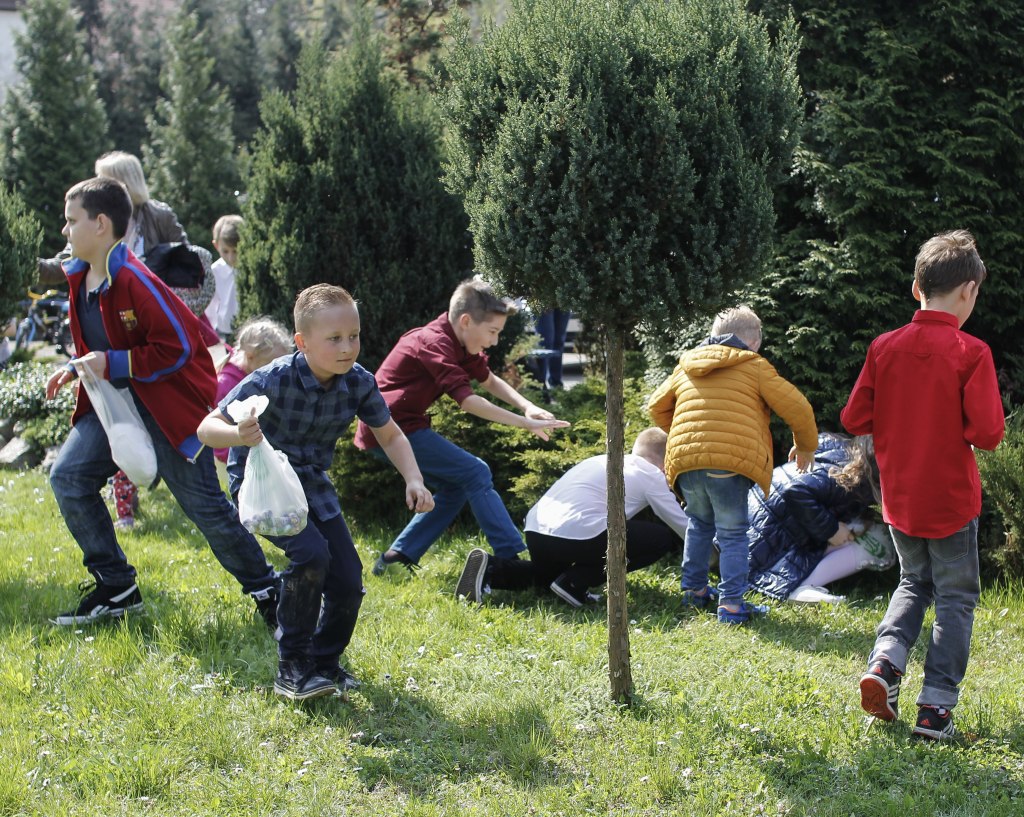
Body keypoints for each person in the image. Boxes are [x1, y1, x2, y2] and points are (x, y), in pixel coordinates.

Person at [44, 176, 280, 628]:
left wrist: (111, 362)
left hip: (169, 413)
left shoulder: (137, 280)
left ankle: (271, 591)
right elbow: (103, 342)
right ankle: (117, 587)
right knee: (68, 477)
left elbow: (178, 348)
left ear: (100, 224)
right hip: (113, 408)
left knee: (205, 509)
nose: (64, 230)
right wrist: (77, 366)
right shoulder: (79, 277)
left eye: (71, 220)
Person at [198, 284, 434, 701]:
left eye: (354, 336)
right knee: (310, 555)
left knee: (348, 579)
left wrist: (413, 478)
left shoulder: (358, 382)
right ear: (302, 342)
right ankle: (292, 666)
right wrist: (238, 434)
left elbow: (391, 434)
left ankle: (324, 663)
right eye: (334, 338)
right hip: (264, 485)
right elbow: (206, 428)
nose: (347, 347)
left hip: (310, 484)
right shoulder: (272, 379)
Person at [842, 229, 1004, 741]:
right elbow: (989, 434)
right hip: (951, 501)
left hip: (901, 500)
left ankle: (885, 663)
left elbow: (853, 418)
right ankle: (935, 710)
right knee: (955, 597)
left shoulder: (883, 347)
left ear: (917, 288)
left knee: (913, 582)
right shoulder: (971, 351)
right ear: (970, 291)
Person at [354, 278, 569, 574]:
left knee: (456, 486)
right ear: (466, 321)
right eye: (492, 331)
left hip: (403, 426)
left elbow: (488, 379)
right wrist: (523, 423)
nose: (494, 341)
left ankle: (396, 558)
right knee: (475, 472)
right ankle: (512, 558)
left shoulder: (458, 340)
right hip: (388, 429)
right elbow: (468, 401)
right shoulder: (434, 343)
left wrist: (527, 406)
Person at [648, 306, 818, 624]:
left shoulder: (686, 364)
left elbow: (656, 406)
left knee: (699, 523)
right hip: (727, 464)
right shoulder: (754, 365)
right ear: (754, 341)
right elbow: (797, 407)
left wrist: (686, 435)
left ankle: (694, 592)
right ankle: (731, 605)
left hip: (686, 462)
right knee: (733, 533)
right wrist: (806, 446)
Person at [454, 427, 689, 606]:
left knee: (546, 578)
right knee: (660, 538)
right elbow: (683, 526)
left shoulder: (603, 459)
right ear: (665, 461)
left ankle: (491, 568)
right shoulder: (651, 474)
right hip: (579, 534)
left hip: (537, 531)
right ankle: (575, 582)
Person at [747, 433, 895, 605]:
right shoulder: (851, 479)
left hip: (749, 527)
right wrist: (831, 530)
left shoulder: (838, 448)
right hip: (766, 541)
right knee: (880, 544)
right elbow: (796, 492)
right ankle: (801, 586)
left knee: (862, 527)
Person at [212, 316, 293, 464]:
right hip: (230, 464)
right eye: (271, 365)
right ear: (250, 356)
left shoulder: (255, 377)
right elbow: (216, 437)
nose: (276, 373)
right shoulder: (227, 385)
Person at [205, 215, 242, 342]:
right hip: (227, 332)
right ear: (216, 246)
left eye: (235, 251)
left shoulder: (250, 268)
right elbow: (210, 307)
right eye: (225, 251)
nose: (231, 258)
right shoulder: (214, 271)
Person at [533, 308, 571, 390]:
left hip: (562, 303)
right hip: (543, 302)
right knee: (545, 342)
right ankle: (540, 385)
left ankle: (556, 384)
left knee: (559, 342)